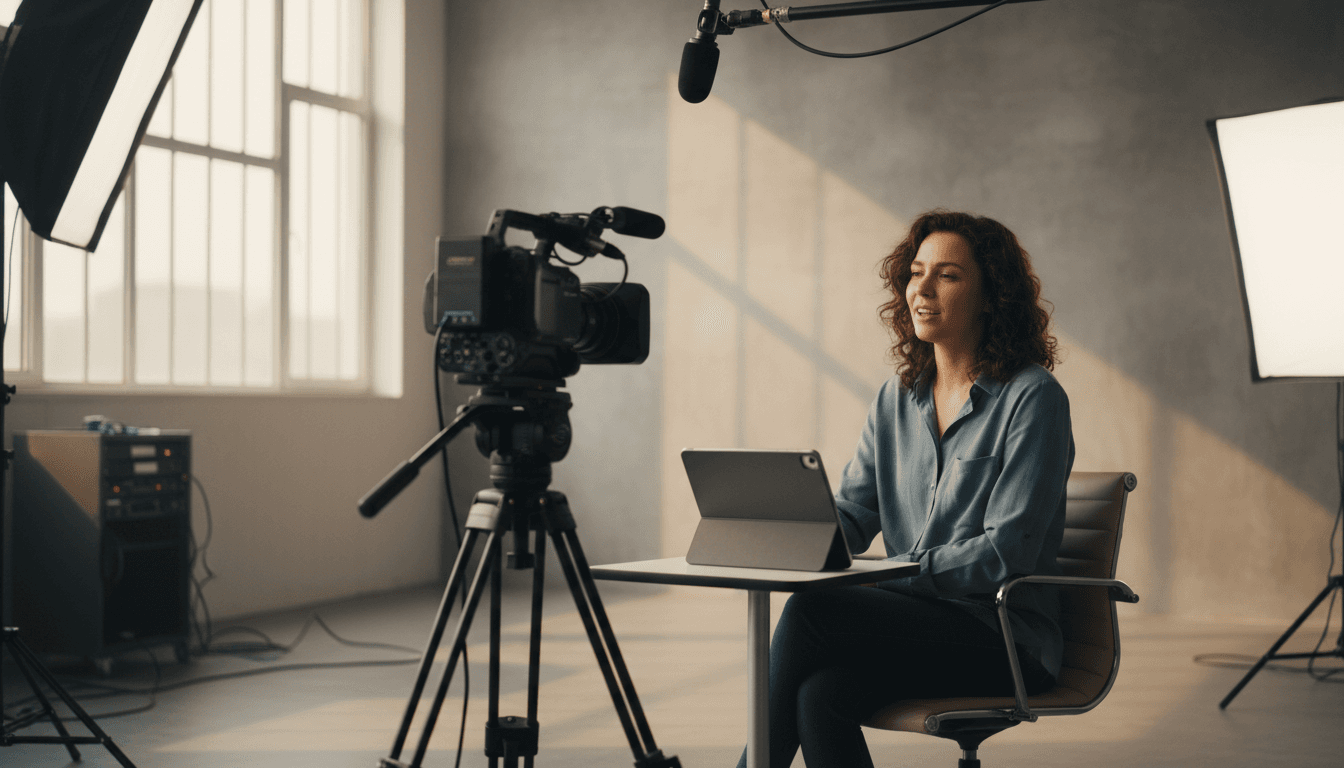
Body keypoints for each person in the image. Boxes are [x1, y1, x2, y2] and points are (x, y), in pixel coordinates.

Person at [735, 210, 1072, 768]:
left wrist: (897, 573)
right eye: (916, 273)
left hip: (1003, 635)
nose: (923, 289)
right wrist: (791, 532)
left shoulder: (1033, 397)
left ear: (992, 295)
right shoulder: (898, 397)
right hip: (915, 622)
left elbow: (1003, 552)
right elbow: (856, 511)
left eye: (949, 275)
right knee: (821, 695)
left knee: (811, 613)